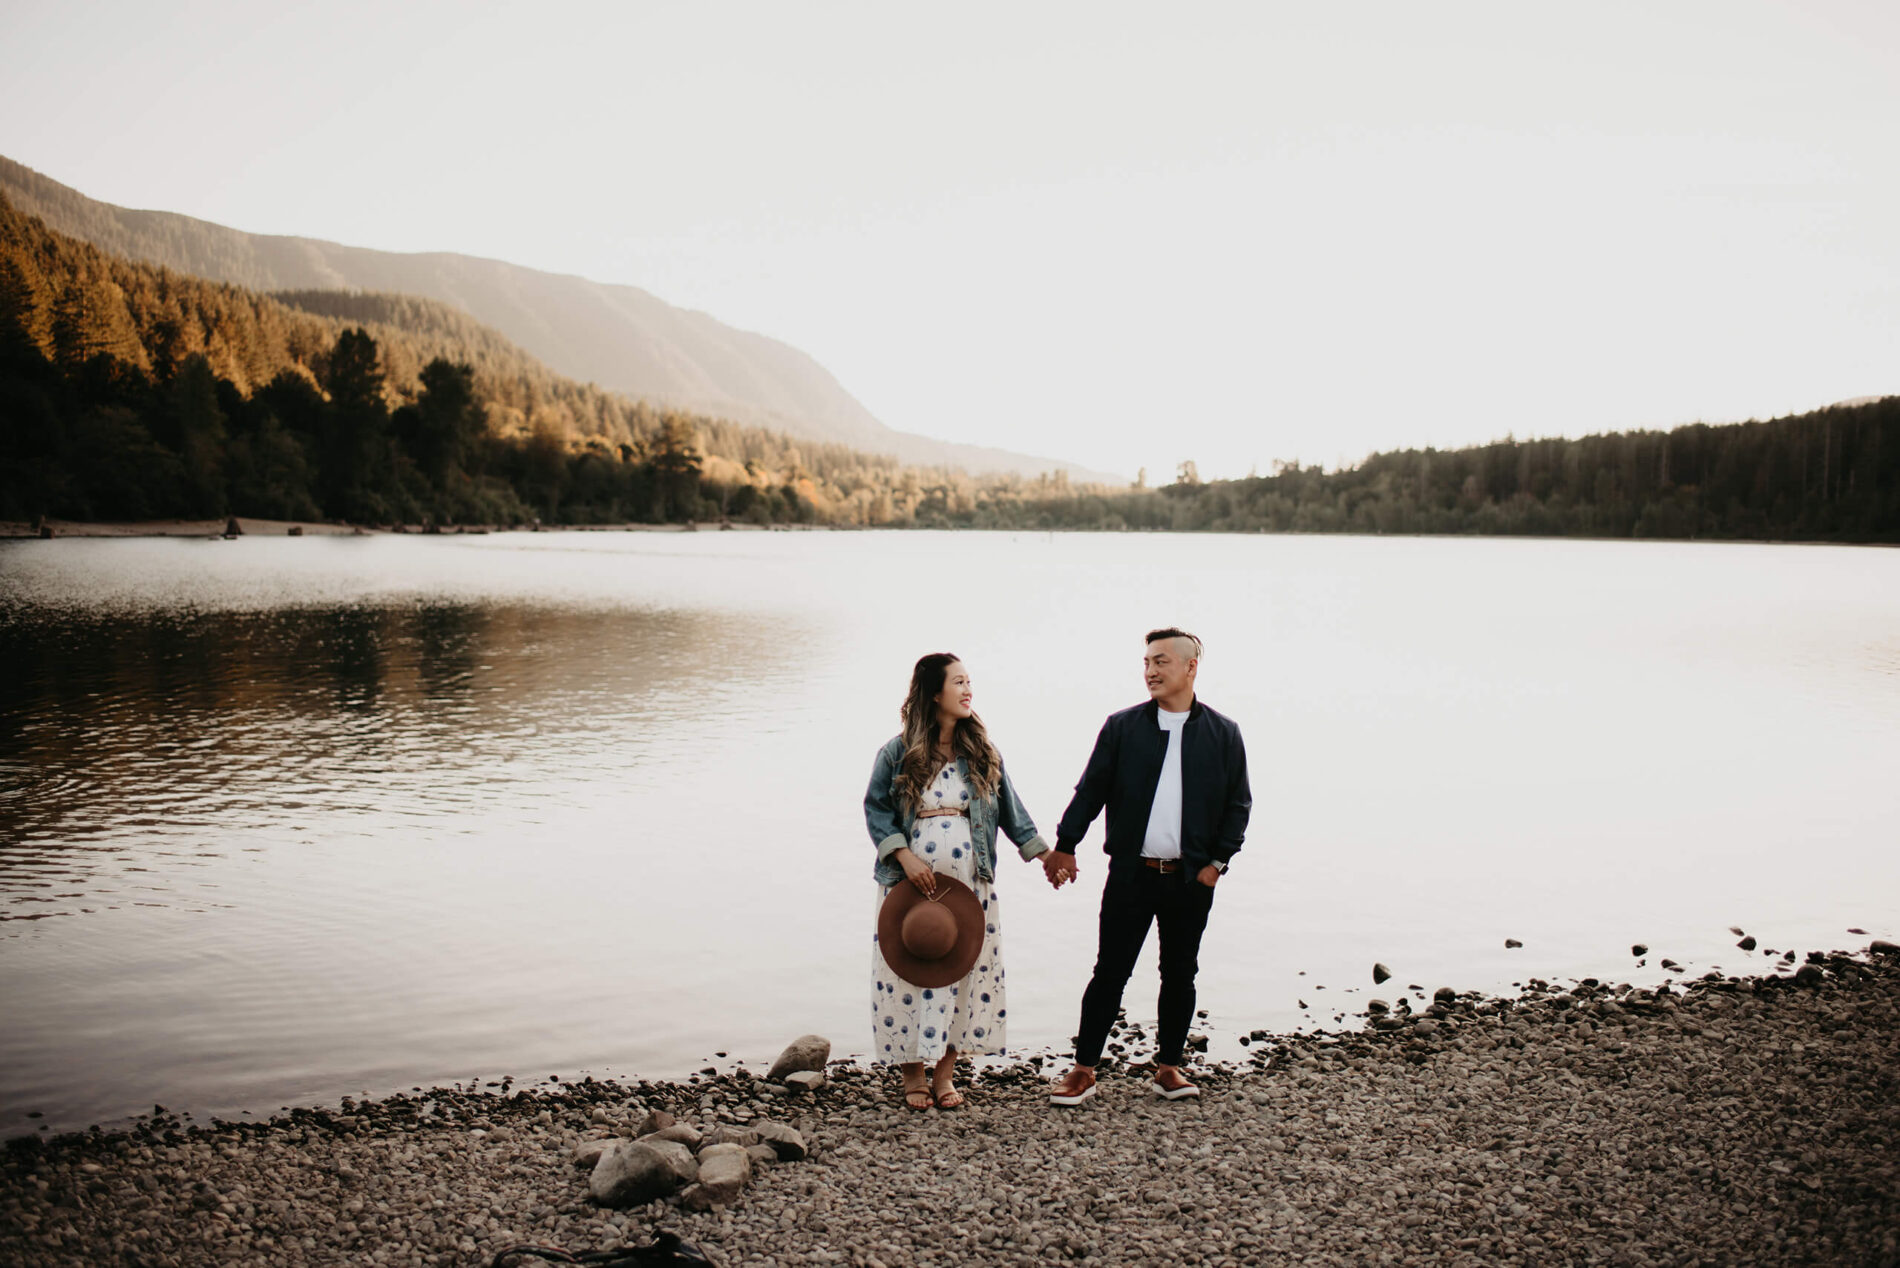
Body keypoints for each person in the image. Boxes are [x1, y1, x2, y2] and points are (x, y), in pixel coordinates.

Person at [1044, 628, 1252, 1105]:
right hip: (1131, 874)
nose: (1151, 671)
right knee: (1109, 972)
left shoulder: (1224, 734)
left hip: (1191, 877)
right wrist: (1065, 844)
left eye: (1160, 661)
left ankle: (1169, 1068)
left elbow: (1238, 806)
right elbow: (1090, 790)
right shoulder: (1122, 727)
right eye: (1146, 663)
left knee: (1180, 973)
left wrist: (1217, 863)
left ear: (1189, 667)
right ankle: (1083, 1070)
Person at [864, 653, 1068, 1111]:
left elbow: (1013, 812)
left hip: (970, 885)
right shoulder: (896, 752)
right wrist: (904, 855)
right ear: (935, 693)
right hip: (908, 883)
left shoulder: (983, 752)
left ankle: (944, 1075)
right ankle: (912, 1075)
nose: (968, 689)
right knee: (907, 974)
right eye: (959, 682)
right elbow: (876, 808)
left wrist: (1045, 856)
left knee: (962, 973)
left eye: (969, 681)